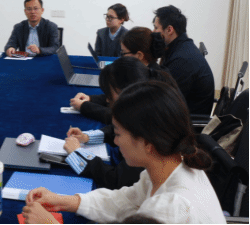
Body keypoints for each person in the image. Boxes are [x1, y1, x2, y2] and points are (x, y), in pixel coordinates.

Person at [22, 81, 225, 224]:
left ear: (147, 143)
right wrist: (66, 201)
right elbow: (126, 201)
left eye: (118, 133)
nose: (115, 141)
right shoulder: (168, 165)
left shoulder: (169, 209)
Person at [64, 58, 177, 190]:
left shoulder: (147, 130)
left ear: (127, 92)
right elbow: (118, 131)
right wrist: (87, 137)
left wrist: (78, 154)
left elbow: (117, 180)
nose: (107, 100)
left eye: (110, 95)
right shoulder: (148, 110)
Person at [153, 5, 215, 115]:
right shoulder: (182, 47)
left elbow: (165, 100)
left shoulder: (181, 60)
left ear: (169, 29)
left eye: (156, 28)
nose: (153, 32)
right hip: (183, 114)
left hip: (188, 121)